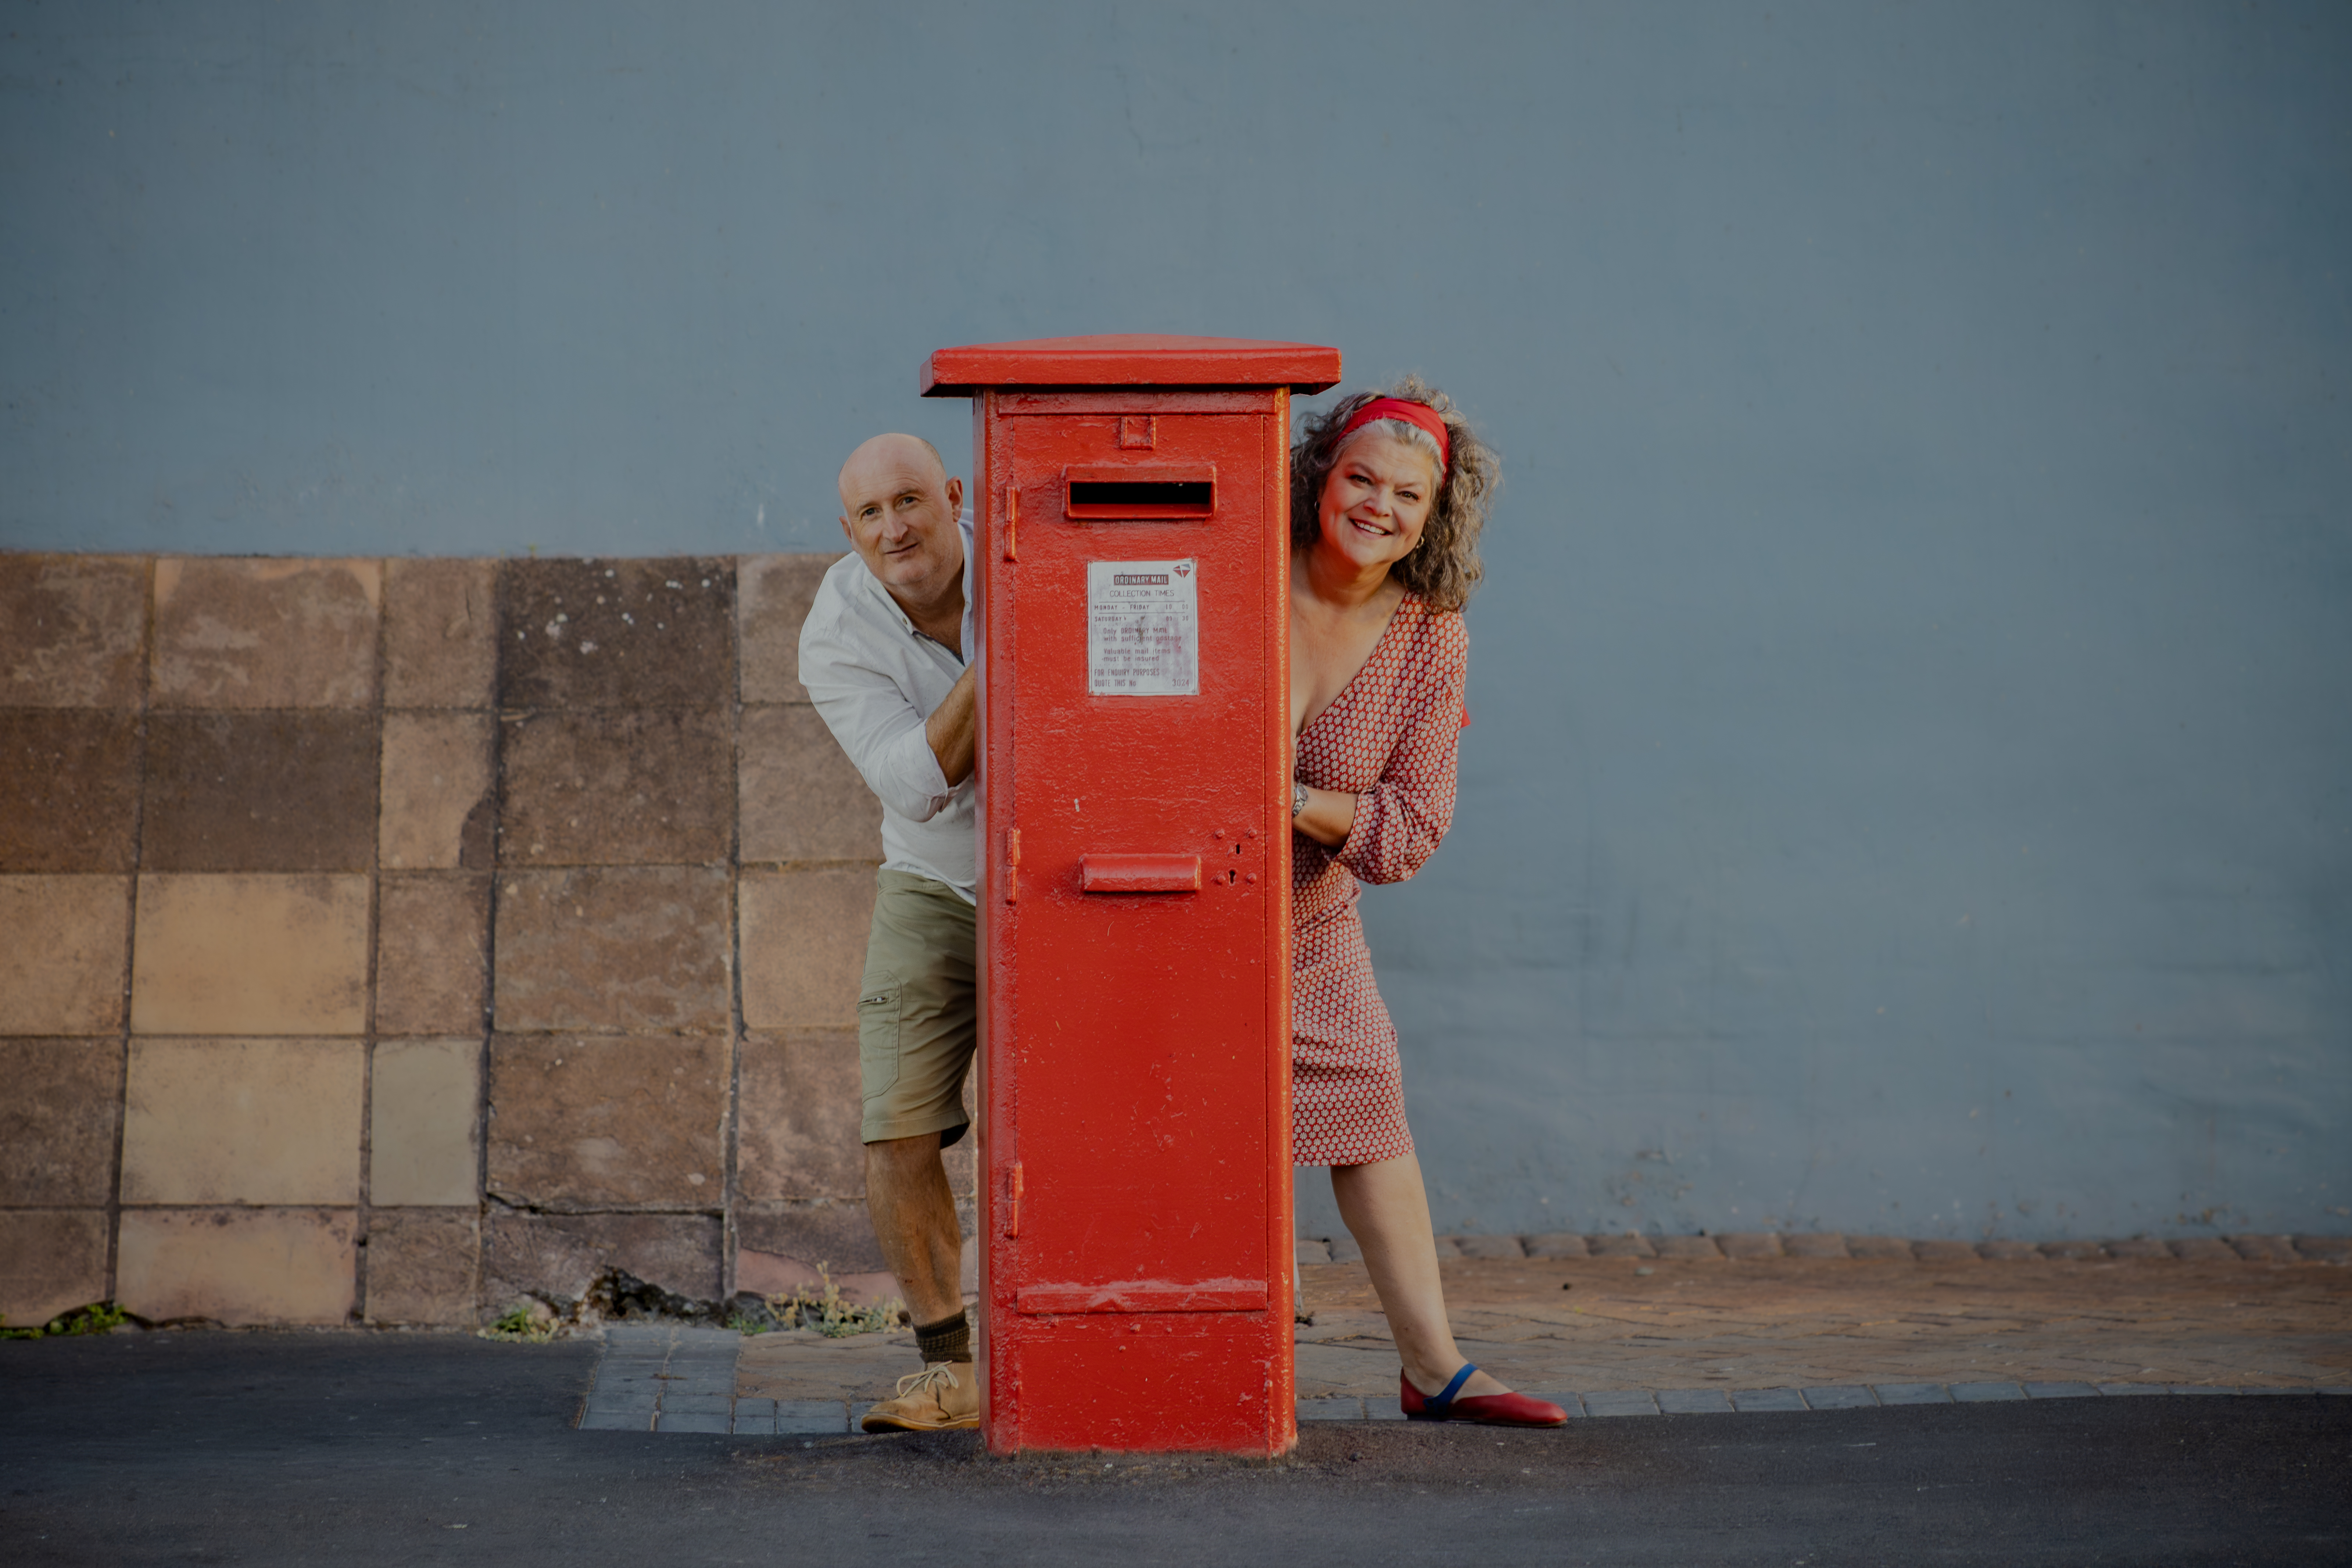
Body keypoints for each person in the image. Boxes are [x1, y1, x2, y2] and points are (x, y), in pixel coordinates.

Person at [1287, 380, 1565, 1426]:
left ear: (1435, 514)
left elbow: (1410, 828)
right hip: (1180, 918)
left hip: (1310, 926)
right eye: (1362, 477)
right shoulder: (1243, 577)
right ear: (1324, 474)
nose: (1379, 507)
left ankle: (1435, 1368)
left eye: (1408, 494)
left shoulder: (1430, 637)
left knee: (1372, 1113)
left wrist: (1294, 798)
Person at [798, 433, 982, 1433]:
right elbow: (915, 783)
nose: (895, 528)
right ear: (849, 531)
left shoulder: (1028, 560)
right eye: (870, 514)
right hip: (939, 880)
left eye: (910, 500)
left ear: (953, 495)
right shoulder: (835, 630)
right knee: (896, 1122)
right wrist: (1012, 660)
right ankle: (951, 1369)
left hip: (1072, 884)